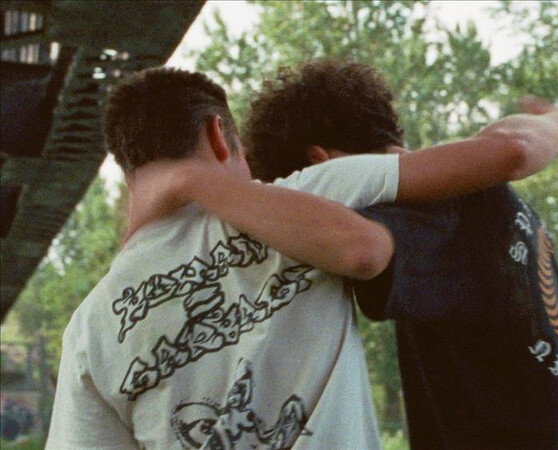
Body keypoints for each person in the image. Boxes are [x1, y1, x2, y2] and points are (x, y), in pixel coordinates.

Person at [47, 64, 558, 449]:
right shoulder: (312, 196)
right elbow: (502, 150)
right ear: (218, 135)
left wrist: (186, 183)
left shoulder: (88, 327)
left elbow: (367, 245)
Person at [242, 58, 558, 449]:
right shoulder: (476, 193)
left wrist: (219, 194)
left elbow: (363, 251)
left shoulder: (423, 215)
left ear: (319, 164)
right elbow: (506, 141)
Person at [46, 67, 398, 449]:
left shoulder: (89, 325)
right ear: (219, 136)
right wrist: (196, 180)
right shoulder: (307, 202)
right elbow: (438, 172)